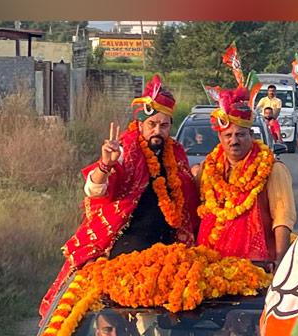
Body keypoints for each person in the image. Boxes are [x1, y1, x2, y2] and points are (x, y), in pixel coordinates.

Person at [41, 75, 198, 317]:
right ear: (140, 124)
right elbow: (95, 190)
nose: (158, 131)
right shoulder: (125, 150)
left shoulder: (175, 154)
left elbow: (187, 197)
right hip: (124, 253)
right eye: (152, 124)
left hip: (168, 253)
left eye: (164, 126)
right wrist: (105, 165)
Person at [193, 85, 296, 262]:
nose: (234, 141)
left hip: (256, 264)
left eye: (240, 134)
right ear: (220, 138)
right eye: (228, 135)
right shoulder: (208, 167)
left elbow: (282, 219)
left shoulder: (272, 168)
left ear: (250, 134)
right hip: (210, 262)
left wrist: (280, 262)